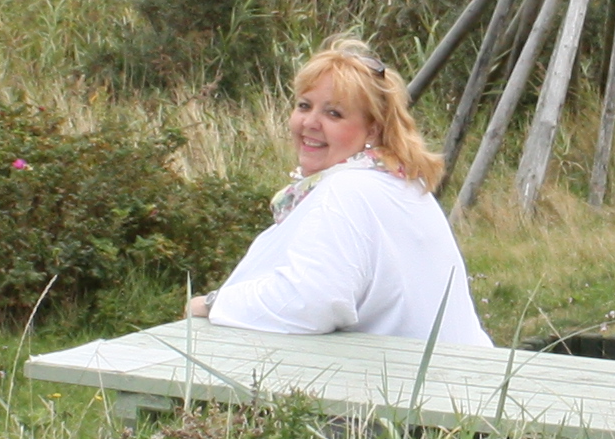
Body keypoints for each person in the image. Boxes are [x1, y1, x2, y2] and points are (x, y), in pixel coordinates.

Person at [189, 39, 491, 347]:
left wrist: (212, 304)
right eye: (304, 106)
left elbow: (314, 301)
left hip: (407, 389)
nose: (310, 123)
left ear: (373, 128)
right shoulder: (399, 184)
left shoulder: (347, 190)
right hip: (452, 381)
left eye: (334, 114)